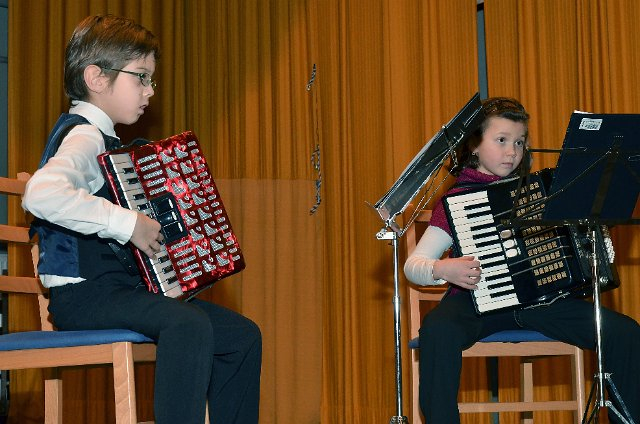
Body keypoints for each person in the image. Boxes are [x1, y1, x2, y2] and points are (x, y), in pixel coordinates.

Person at [22, 15, 261, 424]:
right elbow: (41, 193)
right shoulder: (83, 135)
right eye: (141, 78)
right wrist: (127, 223)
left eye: (152, 80)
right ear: (96, 78)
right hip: (83, 298)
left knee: (242, 336)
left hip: (120, 291)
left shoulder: (110, 142)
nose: (151, 91)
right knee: (185, 325)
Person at [404, 97, 640, 424]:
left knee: (623, 332)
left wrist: (598, 246)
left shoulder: (546, 192)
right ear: (474, 145)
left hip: (541, 302)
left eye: (518, 142)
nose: (512, 151)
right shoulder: (456, 201)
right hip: (476, 303)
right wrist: (444, 269)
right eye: (500, 140)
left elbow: (573, 251)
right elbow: (414, 264)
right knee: (437, 330)